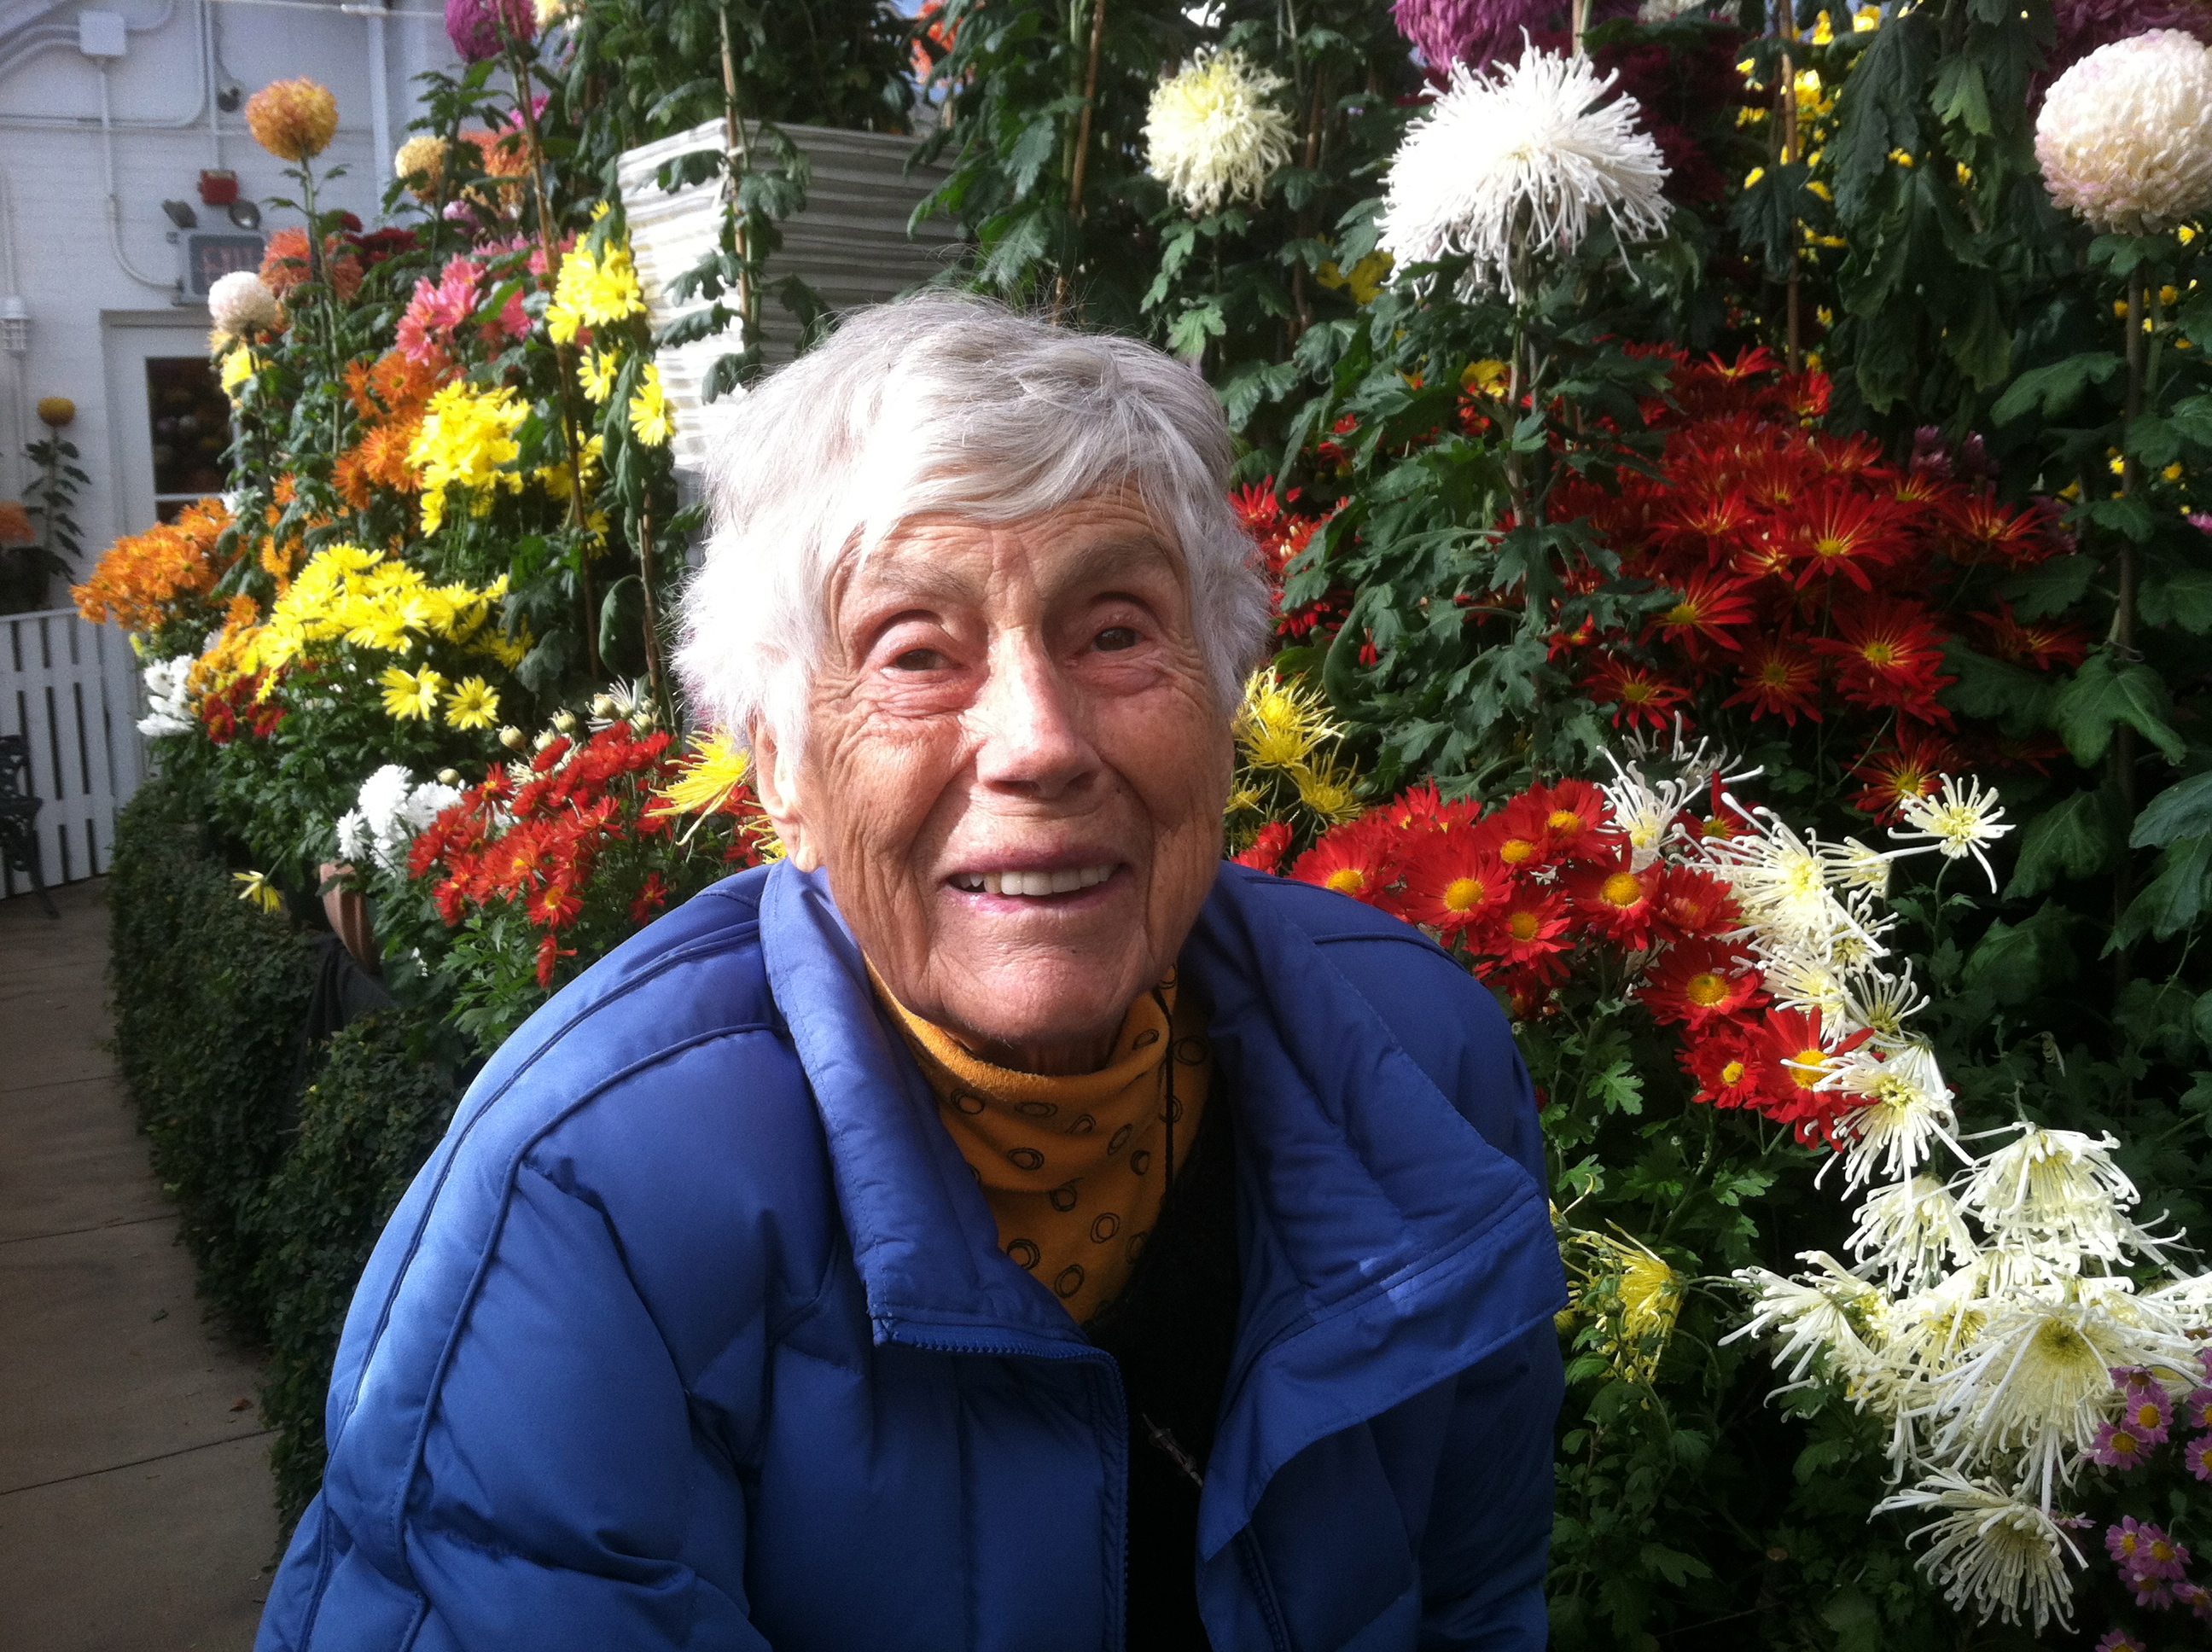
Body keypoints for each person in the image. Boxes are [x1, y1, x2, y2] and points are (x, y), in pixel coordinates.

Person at [255, 296, 1566, 1652]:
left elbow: (1473, 1605)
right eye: (916, 653)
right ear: (778, 767)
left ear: (1225, 697)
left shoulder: (1420, 1056)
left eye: (1117, 630)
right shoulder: (590, 1202)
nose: (1038, 742)